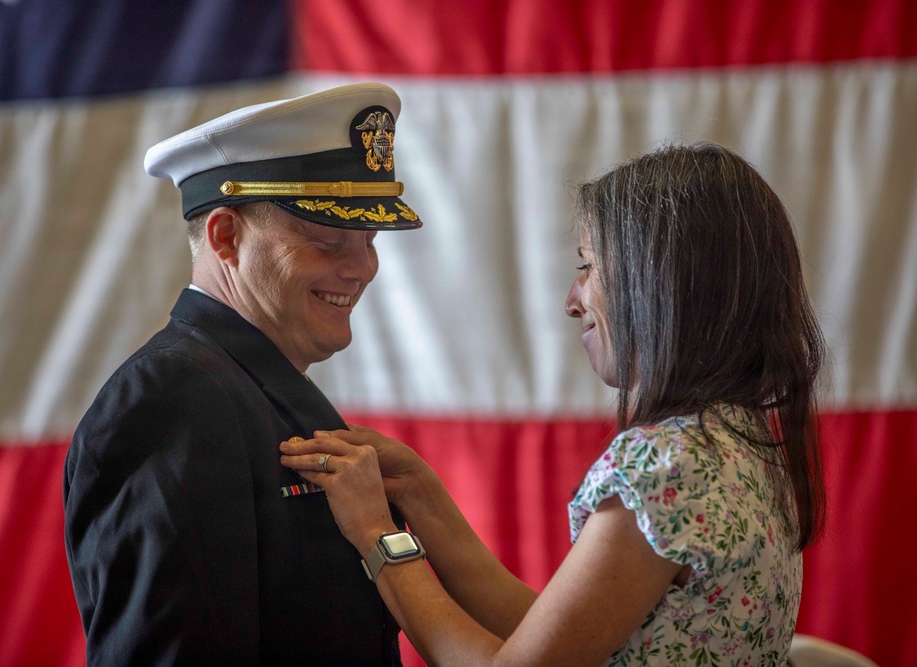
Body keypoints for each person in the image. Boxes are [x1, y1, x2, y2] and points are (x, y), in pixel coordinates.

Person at [281, 142, 826, 665]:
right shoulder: (740, 440)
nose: (572, 301)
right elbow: (560, 638)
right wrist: (421, 495)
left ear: (656, 281)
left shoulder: (664, 467)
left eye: (586, 266)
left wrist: (377, 532)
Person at [63, 83, 423, 665]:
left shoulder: (249, 386)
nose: (362, 268)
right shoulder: (174, 400)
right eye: (329, 239)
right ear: (225, 236)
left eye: (369, 239)